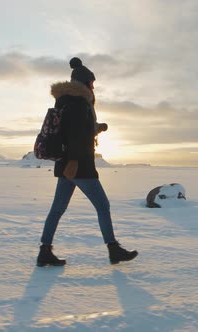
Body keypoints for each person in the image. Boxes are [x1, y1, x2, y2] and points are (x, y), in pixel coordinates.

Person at [37, 57, 138, 267]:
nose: (94, 87)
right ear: (85, 83)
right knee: (103, 205)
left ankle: (45, 251)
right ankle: (113, 249)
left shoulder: (68, 101)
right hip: (79, 165)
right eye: (92, 83)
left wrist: (97, 127)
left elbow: (77, 130)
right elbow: (75, 135)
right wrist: (74, 161)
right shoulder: (78, 102)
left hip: (67, 165)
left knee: (57, 209)